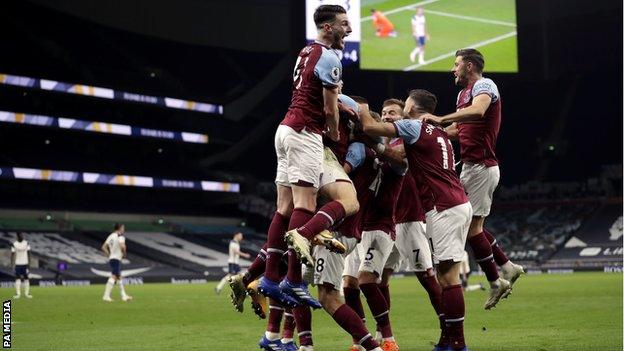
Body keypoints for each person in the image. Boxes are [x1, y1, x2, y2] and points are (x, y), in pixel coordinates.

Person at [360, 89, 472, 351]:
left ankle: (457, 342)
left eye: (395, 111)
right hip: (440, 206)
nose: (389, 116)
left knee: (447, 278)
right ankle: (445, 340)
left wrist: (353, 105)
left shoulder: (414, 128)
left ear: (410, 108)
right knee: (437, 278)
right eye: (385, 112)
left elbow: (368, 126)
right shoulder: (437, 132)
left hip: (433, 210)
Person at [259, 4, 352, 314]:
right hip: (304, 133)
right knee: (304, 206)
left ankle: (271, 278)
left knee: (283, 208)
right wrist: (336, 135)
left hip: (285, 129)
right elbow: (329, 110)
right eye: (343, 24)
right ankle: (293, 280)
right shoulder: (329, 58)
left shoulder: (304, 52)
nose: (348, 30)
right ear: (327, 28)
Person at [422, 48, 523, 309]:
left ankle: (496, 280)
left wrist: (440, 118)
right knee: (468, 223)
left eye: (456, 64)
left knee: (471, 228)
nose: (452, 69)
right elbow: (458, 129)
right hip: (469, 166)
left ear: (469, 66)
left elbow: (478, 112)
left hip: (482, 167)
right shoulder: (461, 94)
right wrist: (431, 132)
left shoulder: (485, 85)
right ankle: (507, 267)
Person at [101, 223, 132, 302]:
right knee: (114, 276)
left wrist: (110, 254)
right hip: (116, 259)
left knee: (119, 277)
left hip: (112, 258)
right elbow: (122, 246)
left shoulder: (111, 236)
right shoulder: (120, 236)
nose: (124, 229)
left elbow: (104, 247)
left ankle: (124, 296)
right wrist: (124, 253)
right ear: (120, 228)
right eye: (123, 228)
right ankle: (106, 296)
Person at [11, 232, 32, 299]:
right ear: (17, 236)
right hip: (18, 264)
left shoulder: (26, 243)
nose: (22, 236)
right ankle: (17, 294)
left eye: (22, 235)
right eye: (20, 235)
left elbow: (29, 254)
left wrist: (29, 263)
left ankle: (27, 294)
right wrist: (12, 264)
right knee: (17, 278)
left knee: (26, 278)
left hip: (25, 264)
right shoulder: (14, 244)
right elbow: (12, 254)